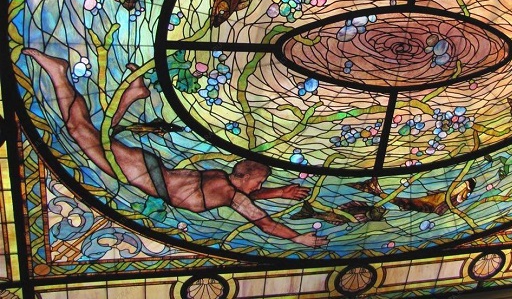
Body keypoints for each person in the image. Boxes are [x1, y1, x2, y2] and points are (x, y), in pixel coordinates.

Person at [22, 48, 327, 248]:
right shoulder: (229, 192)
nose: (260, 187)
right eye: (259, 181)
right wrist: (298, 238)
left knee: (90, 132)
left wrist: (279, 193)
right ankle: (61, 73)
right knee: (80, 130)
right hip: (144, 174)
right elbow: (264, 222)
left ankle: (131, 93)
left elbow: (248, 197)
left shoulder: (226, 186)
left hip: (149, 172)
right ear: (244, 176)